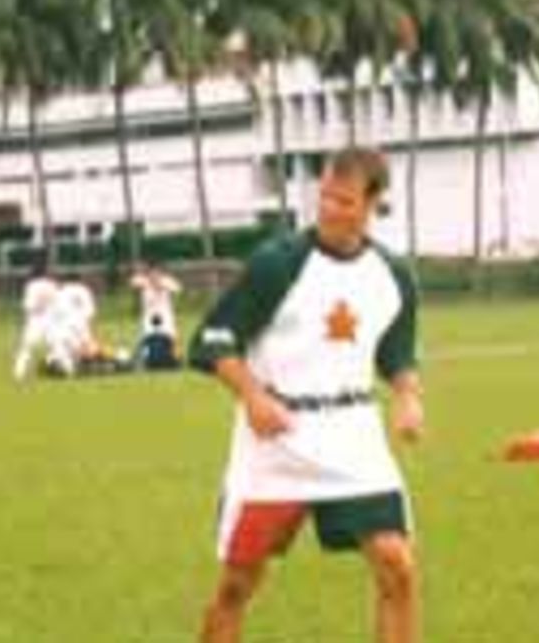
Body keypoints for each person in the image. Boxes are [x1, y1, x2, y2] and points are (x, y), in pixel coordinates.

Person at [189, 146, 424, 643]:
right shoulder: (279, 263)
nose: (331, 211)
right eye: (326, 199)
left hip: (352, 437)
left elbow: (396, 353)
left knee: (397, 567)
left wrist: (407, 397)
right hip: (277, 443)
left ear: (374, 203)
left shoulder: (393, 276)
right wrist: (252, 396)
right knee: (237, 585)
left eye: (346, 202)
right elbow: (211, 341)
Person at [130, 260, 182, 361]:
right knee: (146, 337)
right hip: (149, 316)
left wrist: (159, 284)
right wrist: (143, 276)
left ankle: (173, 355)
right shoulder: (143, 281)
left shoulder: (166, 281)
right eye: (152, 272)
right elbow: (133, 282)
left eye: (157, 272)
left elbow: (177, 288)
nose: (155, 275)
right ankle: (144, 356)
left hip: (165, 316)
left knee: (171, 337)